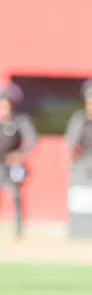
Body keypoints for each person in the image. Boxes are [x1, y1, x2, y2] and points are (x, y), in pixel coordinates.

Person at [0, 83, 37, 236]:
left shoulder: (19, 121)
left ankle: (18, 227)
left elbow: (31, 140)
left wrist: (20, 155)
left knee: (15, 194)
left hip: (12, 164)